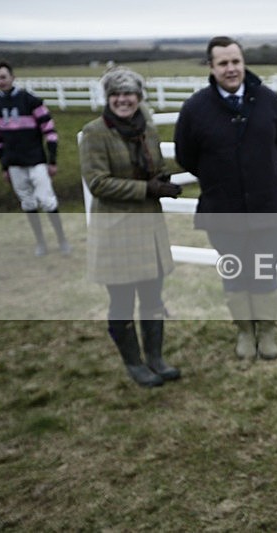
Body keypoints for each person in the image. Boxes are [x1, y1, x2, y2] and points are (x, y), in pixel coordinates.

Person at [174, 36, 277, 361]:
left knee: (264, 270)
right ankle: (245, 331)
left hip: (268, 206)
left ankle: (266, 332)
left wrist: (256, 171)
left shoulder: (268, 100)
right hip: (222, 207)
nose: (231, 69)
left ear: (243, 63)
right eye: (223, 63)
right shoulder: (195, 108)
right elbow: (186, 156)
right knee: (235, 271)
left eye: (235, 62)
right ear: (211, 67)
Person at [79, 67, 182, 388]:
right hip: (116, 229)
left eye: (129, 94)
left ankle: (155, 358)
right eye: (116, 94)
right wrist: (146, 189)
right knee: (122, 299)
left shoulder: (147, 129)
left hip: (148, 226)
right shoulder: (95, 133)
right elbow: (98, 183)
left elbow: (156, 167)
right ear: (108, 98)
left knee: (152, 294)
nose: (123, 100)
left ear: (139, 97)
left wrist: (162, 181)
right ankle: (134, 363)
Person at [0, 60, 71, 257]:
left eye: (3, 77)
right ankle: (40, 242)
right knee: (27, 203)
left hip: (36, 160)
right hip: (14, 163)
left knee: (47, 200)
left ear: (12, 77)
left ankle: (62, 239)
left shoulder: (31, 100)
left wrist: (52, 160)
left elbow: (49, 132)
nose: (0, 81)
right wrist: (4, 166)